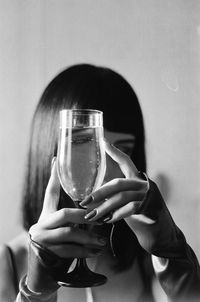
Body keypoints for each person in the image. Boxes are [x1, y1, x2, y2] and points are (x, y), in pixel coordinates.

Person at [0, 63, 200, 302]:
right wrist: (34, 294)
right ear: (51, 150)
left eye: (122, 150)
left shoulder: (146, 260)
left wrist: (172, 253)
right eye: (85, 146)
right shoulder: (8, 263)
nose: (104, 172)